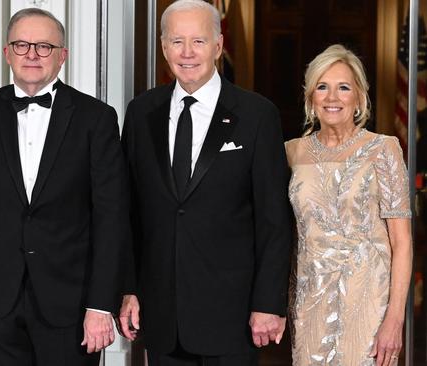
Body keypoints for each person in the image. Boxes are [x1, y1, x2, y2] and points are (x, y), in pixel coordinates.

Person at [0, 7, 128, 365]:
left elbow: (111, 218)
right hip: (0, 301)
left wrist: (101, 304)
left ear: (62, 57)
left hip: (73, 303)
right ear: (7, 52)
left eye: (44, 47)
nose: (31, 54)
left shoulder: (96, 119)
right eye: (22, 44)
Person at [118, 0, 292, 364]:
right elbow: (128, 213)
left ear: (218, 45)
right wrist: (127, 289)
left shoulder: (257, 115)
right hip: (162, 316)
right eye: (176, 41)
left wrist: (267, 303)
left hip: (233, 317)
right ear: (163, 47)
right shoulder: (140, 113)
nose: (186, 53)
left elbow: (274, 221)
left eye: (198, 41)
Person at [286, 44, 412, 366]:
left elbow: (402, 242)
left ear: (358, 97)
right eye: (322, 87)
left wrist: (395, 319)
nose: (332, 97)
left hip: (368, 305)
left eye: (343, 88)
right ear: (310, 98)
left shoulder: (383, 150)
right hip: (310, 304)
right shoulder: (290, 154)